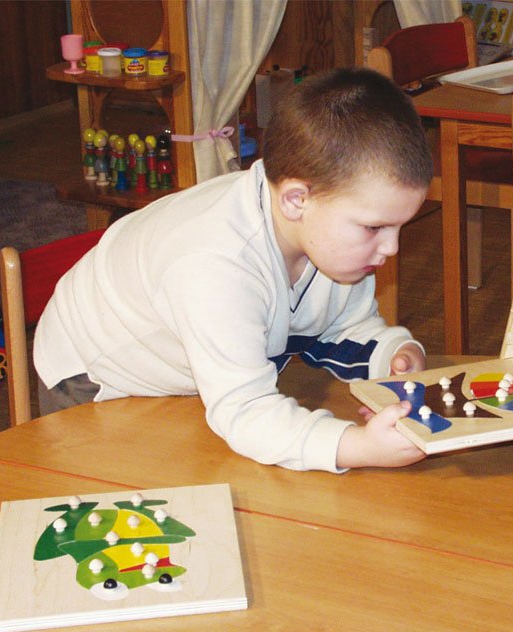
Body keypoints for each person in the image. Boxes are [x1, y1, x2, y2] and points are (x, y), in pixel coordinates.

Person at [34, 68, 434, 472]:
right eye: (374, 228)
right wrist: (358, 446)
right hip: (96, 377)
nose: (392, 248)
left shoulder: (329, 238)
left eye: (399, 226)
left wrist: (392, 354)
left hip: (188, 367)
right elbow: (246, 411)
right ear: (296, 200)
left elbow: (340, 328)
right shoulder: (215, 265)